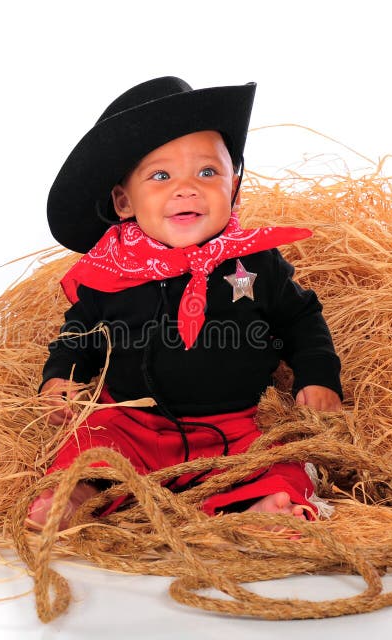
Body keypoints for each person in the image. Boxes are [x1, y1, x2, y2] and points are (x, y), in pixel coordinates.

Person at [30, 76, 342, 530]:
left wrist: (318, 376)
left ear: (234, 185)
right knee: (89, 447)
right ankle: (76, 493)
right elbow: (81, 333)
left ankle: (263, 506)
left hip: (232, 428)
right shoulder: (112, 270)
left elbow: (300, 318)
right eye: (160, 176)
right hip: (129, 424)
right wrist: (61, 378)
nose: (186, 188)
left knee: (281, 458)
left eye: (207, 172)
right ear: (123, 201)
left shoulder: (255, 262)